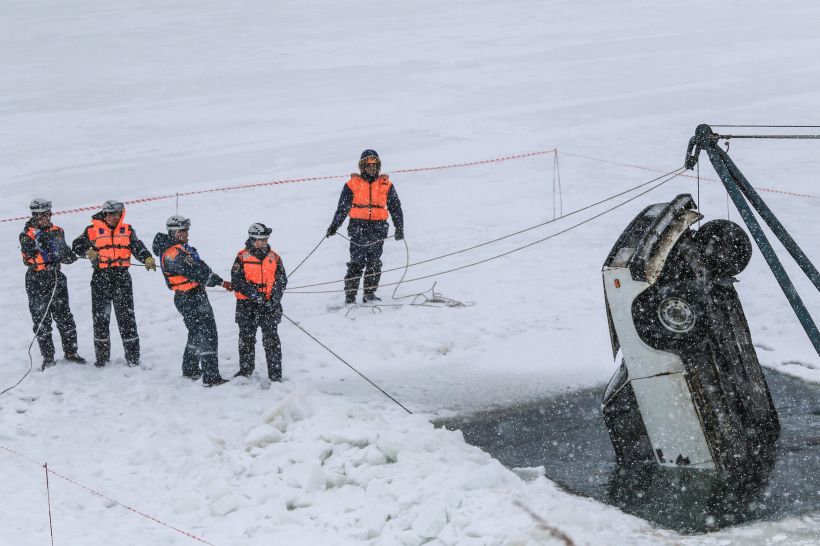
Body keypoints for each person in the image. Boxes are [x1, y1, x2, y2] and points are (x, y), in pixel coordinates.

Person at [72, 200, 156, 368]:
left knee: (127, 318)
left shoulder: (127, 230)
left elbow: (137, 246)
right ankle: (102, 358)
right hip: (100, 278)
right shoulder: (92, 230)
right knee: (100, 318)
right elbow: (76, 245)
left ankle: (133, 357)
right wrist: (88, 251)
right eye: (110, 214)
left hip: (122, 278)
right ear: (105, 214)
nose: (113, 217)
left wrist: (146, 257)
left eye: (116, 214)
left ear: (121, 215)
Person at [152, 215, 230, 387]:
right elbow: (197, 272)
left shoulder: (181, 248)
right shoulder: (173, 254)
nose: (187, 233)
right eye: (183, 230)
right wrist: (220, 282)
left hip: (192, 295)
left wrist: (214, 279)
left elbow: (201, 268)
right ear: (173, 232)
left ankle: (190, 369)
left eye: (187, 229)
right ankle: (211, 376)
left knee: (196, 332)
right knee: (207, 333)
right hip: (189, 297)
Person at [325, 149, 404, 304]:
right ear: (362, 166)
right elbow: (342, 208)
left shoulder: (386, 184)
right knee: (356, 263)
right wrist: (334, 226)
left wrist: (399, 227)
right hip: (358, 228)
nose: (372, 166)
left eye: (375, 164)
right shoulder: (352, 184)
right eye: (368, 163)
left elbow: (395, 207)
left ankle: (369, 294)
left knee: (374, 262)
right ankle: (350, 297)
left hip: (378, 228)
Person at [19, 198, 86, 369]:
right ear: (35, 216)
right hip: (36, 280)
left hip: (56, 278)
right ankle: (48, 356)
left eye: (49, 214)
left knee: (65, 316)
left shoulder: (58, 231)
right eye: (43, 215)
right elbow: (29, 259)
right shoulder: (27, 235)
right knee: (41, 319)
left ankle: (71, 352)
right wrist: (50, 255)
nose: (47, 218)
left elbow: (66, 254)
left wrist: (71, 255)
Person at [230, 223, 287, 382]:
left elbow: (281, 280)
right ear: (252, 239)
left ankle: (275, 375)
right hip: (247, 306)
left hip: (269, 306)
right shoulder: (242, 257)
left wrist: (274, 299)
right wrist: (256, 296)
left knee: (271, 340)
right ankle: (246, 370)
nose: (264, 242)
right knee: (246, 339)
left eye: (266, 239)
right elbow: (237, 281)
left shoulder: (274, 257)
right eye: (261, 239)